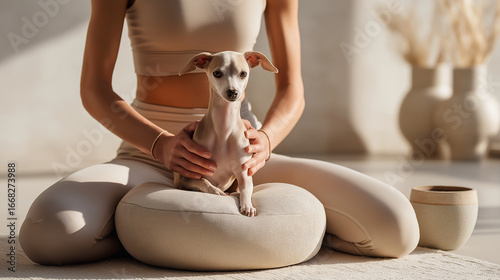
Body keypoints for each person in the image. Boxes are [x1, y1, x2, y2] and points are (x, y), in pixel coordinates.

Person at [19, 0, 419, 266]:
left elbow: (292, 89)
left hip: (247, 157)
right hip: (146, 157)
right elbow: (94, 90)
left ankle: (154, 236)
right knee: (45, 234)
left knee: (398, 227)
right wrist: (159, 144)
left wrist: (265, 142)